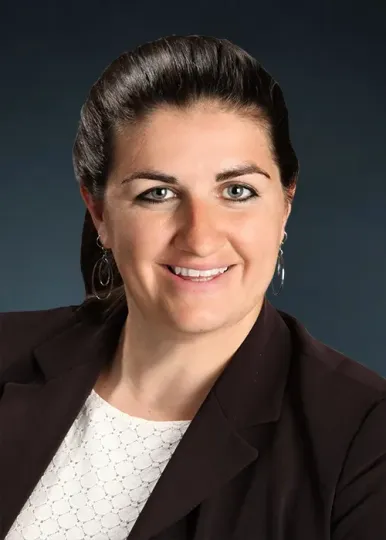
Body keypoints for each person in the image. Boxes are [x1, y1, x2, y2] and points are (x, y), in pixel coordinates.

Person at [1, 34, 385, 540]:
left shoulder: (366, 438)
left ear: (285, 205)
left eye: (237, 191)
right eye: (157, 193)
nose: (200, 238)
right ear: (100, 214)